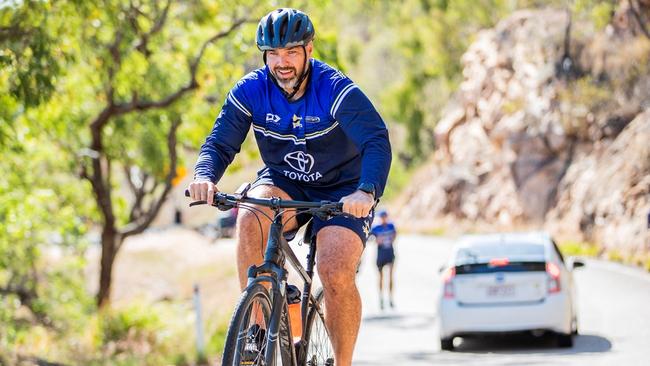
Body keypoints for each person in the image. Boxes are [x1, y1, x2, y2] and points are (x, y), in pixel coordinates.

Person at [187, 8, 391, 366]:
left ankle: (342, 362)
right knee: (251, 215)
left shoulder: (334, 88)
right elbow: (219, 143)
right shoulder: (251, 90)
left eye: (291, 52)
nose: (282, 62)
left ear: (309, 50)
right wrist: (205, 175)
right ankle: (258, 329)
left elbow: (375, 139)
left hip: (343, 189)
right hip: (284, 179)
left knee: (334, 269)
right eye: (273, 54)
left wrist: (367, 191)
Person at [369, 209, 397, 310]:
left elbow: (395, 234)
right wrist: (376, 240)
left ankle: (390, 298)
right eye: (382, 217)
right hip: (380, 255)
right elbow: (370, 238)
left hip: (390, 253)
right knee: (381, 277)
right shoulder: (376, 228)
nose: (384, 219)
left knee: (390, 276)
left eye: (385, 217)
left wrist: (391, 239)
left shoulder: (391, 226)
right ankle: (381, 299)